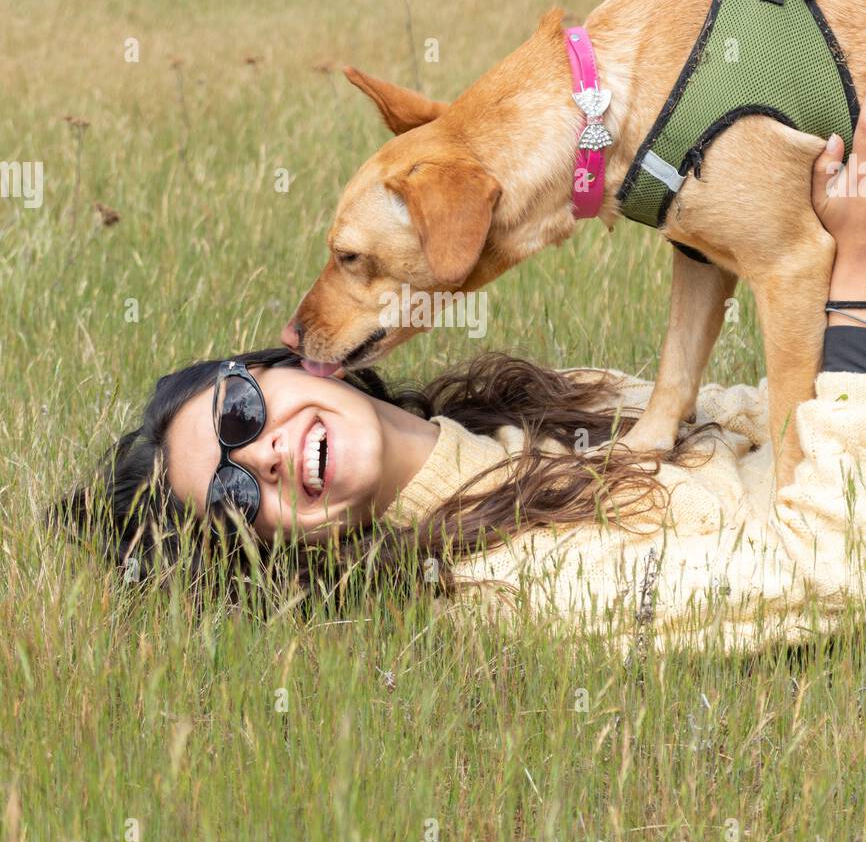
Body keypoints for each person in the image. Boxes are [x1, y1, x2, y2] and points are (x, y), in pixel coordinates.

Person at [64, 121, 866, 653]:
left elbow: (752, 412)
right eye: (236, 496)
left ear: (290, 365)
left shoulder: (520, 406)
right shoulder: (509, 587)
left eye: (239, 414)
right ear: (278, 554)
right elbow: (828, 569)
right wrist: (852, 275)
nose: (265, 456)